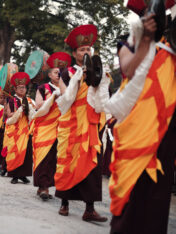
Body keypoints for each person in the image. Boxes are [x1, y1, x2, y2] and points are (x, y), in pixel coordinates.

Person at [96, 1, 176, 233]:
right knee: (133, 192)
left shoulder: (171, 41)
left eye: (157, 13)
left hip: (165, 126)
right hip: (135, 123)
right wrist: (146, 40)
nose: (152, 17)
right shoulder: (128, 40)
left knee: (157, 197)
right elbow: (129, 69)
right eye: (147, 13)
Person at [54, 24, 108, 222]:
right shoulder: (67, 73)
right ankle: (64, 203)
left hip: (91, 124)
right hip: (72, 125)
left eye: (88, 49)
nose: (86, 52)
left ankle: (89, 209)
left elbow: (102, 96)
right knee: (69, 162)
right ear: (74, 53)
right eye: (82, 49)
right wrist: (78, 78)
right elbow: (66, 99)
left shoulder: (97, 69)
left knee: (92, 165)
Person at [31, 52, 69, 201]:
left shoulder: (67, 88)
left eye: (60, 71)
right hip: (45, 126)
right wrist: (54, 96)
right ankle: (43, 186)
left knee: (54, 157)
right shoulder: (43, 87)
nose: (59, 74)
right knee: (43, 156)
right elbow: (39, 105)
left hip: (60, 126)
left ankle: (46, 185)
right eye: (55, 71)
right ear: (49, 75)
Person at [5, 72, 35, 184]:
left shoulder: (30, 101)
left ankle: (23, 175)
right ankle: (14, 175)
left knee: (26, 152)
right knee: (15, 151)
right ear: (15, 89)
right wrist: (20, 110)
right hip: (15, 129)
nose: (22, 89)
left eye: (24, 87)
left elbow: (34, 115)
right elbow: (9, 115)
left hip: (26, 130)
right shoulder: (11, 100)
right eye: (20, 87)